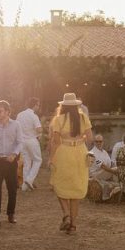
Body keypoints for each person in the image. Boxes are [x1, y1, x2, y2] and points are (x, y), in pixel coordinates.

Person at [49, 93, 92, 234]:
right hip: (80, 152)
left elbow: (55, 141)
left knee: (59, 184)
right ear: (76, 105)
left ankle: (66, 215)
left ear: (63, 105)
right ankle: (73, 226)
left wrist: (51, 158)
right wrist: (80, 138)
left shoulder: (58, 119)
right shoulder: (83, 117)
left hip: (64, 152)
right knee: (76, 190)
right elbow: (90, 138)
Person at [17, 97, 43, 191]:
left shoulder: (20, 115)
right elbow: (39, 129)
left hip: (22, 141)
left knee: (27, 162)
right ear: (35, 105)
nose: (38, 107)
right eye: (38, 105)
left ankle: (24, 186)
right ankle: (29, 180)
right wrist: (42, 130)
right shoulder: (34, 116)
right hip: (31, 140)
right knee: (38, 160)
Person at [88, 135, 119, 201]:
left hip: (103, 172)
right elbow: (102, 166)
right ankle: (118, 187)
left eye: (100, 141)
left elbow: (110, 163)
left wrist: (116, 167)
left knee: (118, 168)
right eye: (97, 141)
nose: (99, 143)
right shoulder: (92, 153)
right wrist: (114, 171)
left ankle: (118, 188)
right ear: (94, 142)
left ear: (103, 142)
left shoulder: (104, 152)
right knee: (116, 170)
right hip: (95, 174)